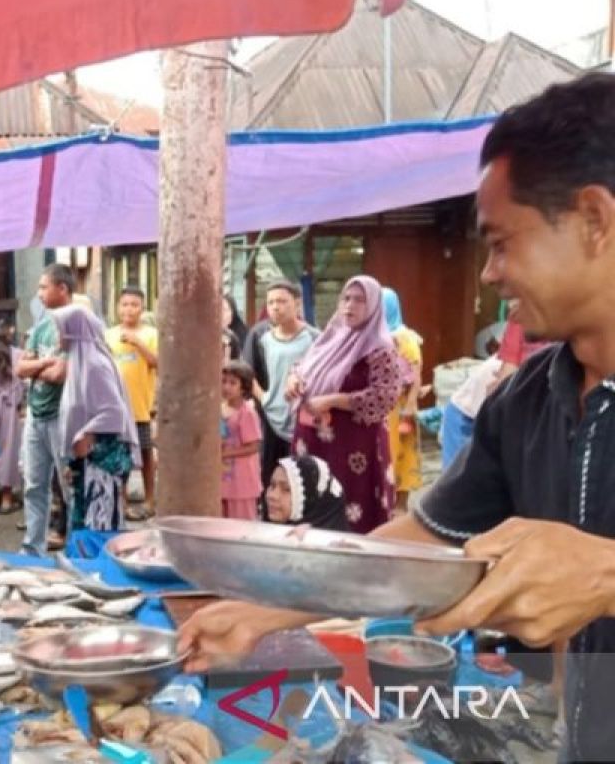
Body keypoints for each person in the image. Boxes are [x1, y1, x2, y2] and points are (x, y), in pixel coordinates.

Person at [179, 74, 615, 759]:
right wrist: (266, 612)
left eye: (501, 242)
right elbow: (424, 541)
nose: (488, 274)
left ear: (595, 219)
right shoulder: (527, 399)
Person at [287, 276, 404, 534]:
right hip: (313, 441)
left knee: (349, 507)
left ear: (374, 305)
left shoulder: (381, 349)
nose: (350, 306)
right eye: (346, 298)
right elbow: (304, 366)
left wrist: (334, 400)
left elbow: (384, 396)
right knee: (311, 498)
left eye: (360, 300)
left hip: (353, 448)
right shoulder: (331, 336)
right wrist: (294, 379)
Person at [55, 305, 139, 533]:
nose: (58, 336)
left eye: (61, 330)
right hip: (87, 461)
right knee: (87, 527)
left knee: (99, 526)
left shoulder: (93, 366)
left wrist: (87, 433)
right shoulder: (81, 362)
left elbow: (114, 412)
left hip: (101, 461)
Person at [15, 263, 74, 556]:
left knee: (69, 488)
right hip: (36, 416)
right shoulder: (41, 325)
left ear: (61, 289)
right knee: (34, 485)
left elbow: (61, 374)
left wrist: (37, 368)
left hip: (63, 417)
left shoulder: (74, 323)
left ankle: (75, 547)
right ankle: (32, 547)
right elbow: (20, 368)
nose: (39, 293)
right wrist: (41, 365)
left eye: (43, 287)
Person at [251, 281, 319, 491]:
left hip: (304, 419)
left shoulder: (315, 338)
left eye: (282, 301)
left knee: (301, 478)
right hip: (272, 418)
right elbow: (251, 373)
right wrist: (264, 398)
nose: (275, 307)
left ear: (297, 304)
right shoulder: (263, 339)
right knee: (270, 474)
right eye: (271, 302)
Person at [104, 285, 159, 521]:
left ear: (142, 308)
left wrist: (137, 342)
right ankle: (122, 500)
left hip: (140, 407)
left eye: (134, 305)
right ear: (118, 307)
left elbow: (157, 361)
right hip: (115, 409)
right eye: (125, 304)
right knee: (121, 456)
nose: (129, 309)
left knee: (146, 454)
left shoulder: (150, 334)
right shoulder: (108, 334)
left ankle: (149, 499)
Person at [382, 287, 424, 514]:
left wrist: (409, 408)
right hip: (382, 409)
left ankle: (399, 507)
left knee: (398, 455)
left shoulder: (404, 337)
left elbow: (415, 376)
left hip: (399, 409)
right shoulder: (375, 336)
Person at [0, 322, 25, 514]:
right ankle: (7, 499)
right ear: (11, 330)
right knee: (9, 452)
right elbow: (24, 386)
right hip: (11, 411)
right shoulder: (20, 356)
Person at [261, 455, 349, 532]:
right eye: (272, 485)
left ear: (310, 499)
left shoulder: (334, 547)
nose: (272, 496)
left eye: (286, 489)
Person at [221, 360, 262, 520]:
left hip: (242, 481)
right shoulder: (221, 408)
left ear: (244, 387)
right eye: (224, 382)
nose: (226, 387)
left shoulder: (247, 413)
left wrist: (226, 454)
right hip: (224, 476)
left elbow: (254, 446)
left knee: (241, 523)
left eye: (233, 383)